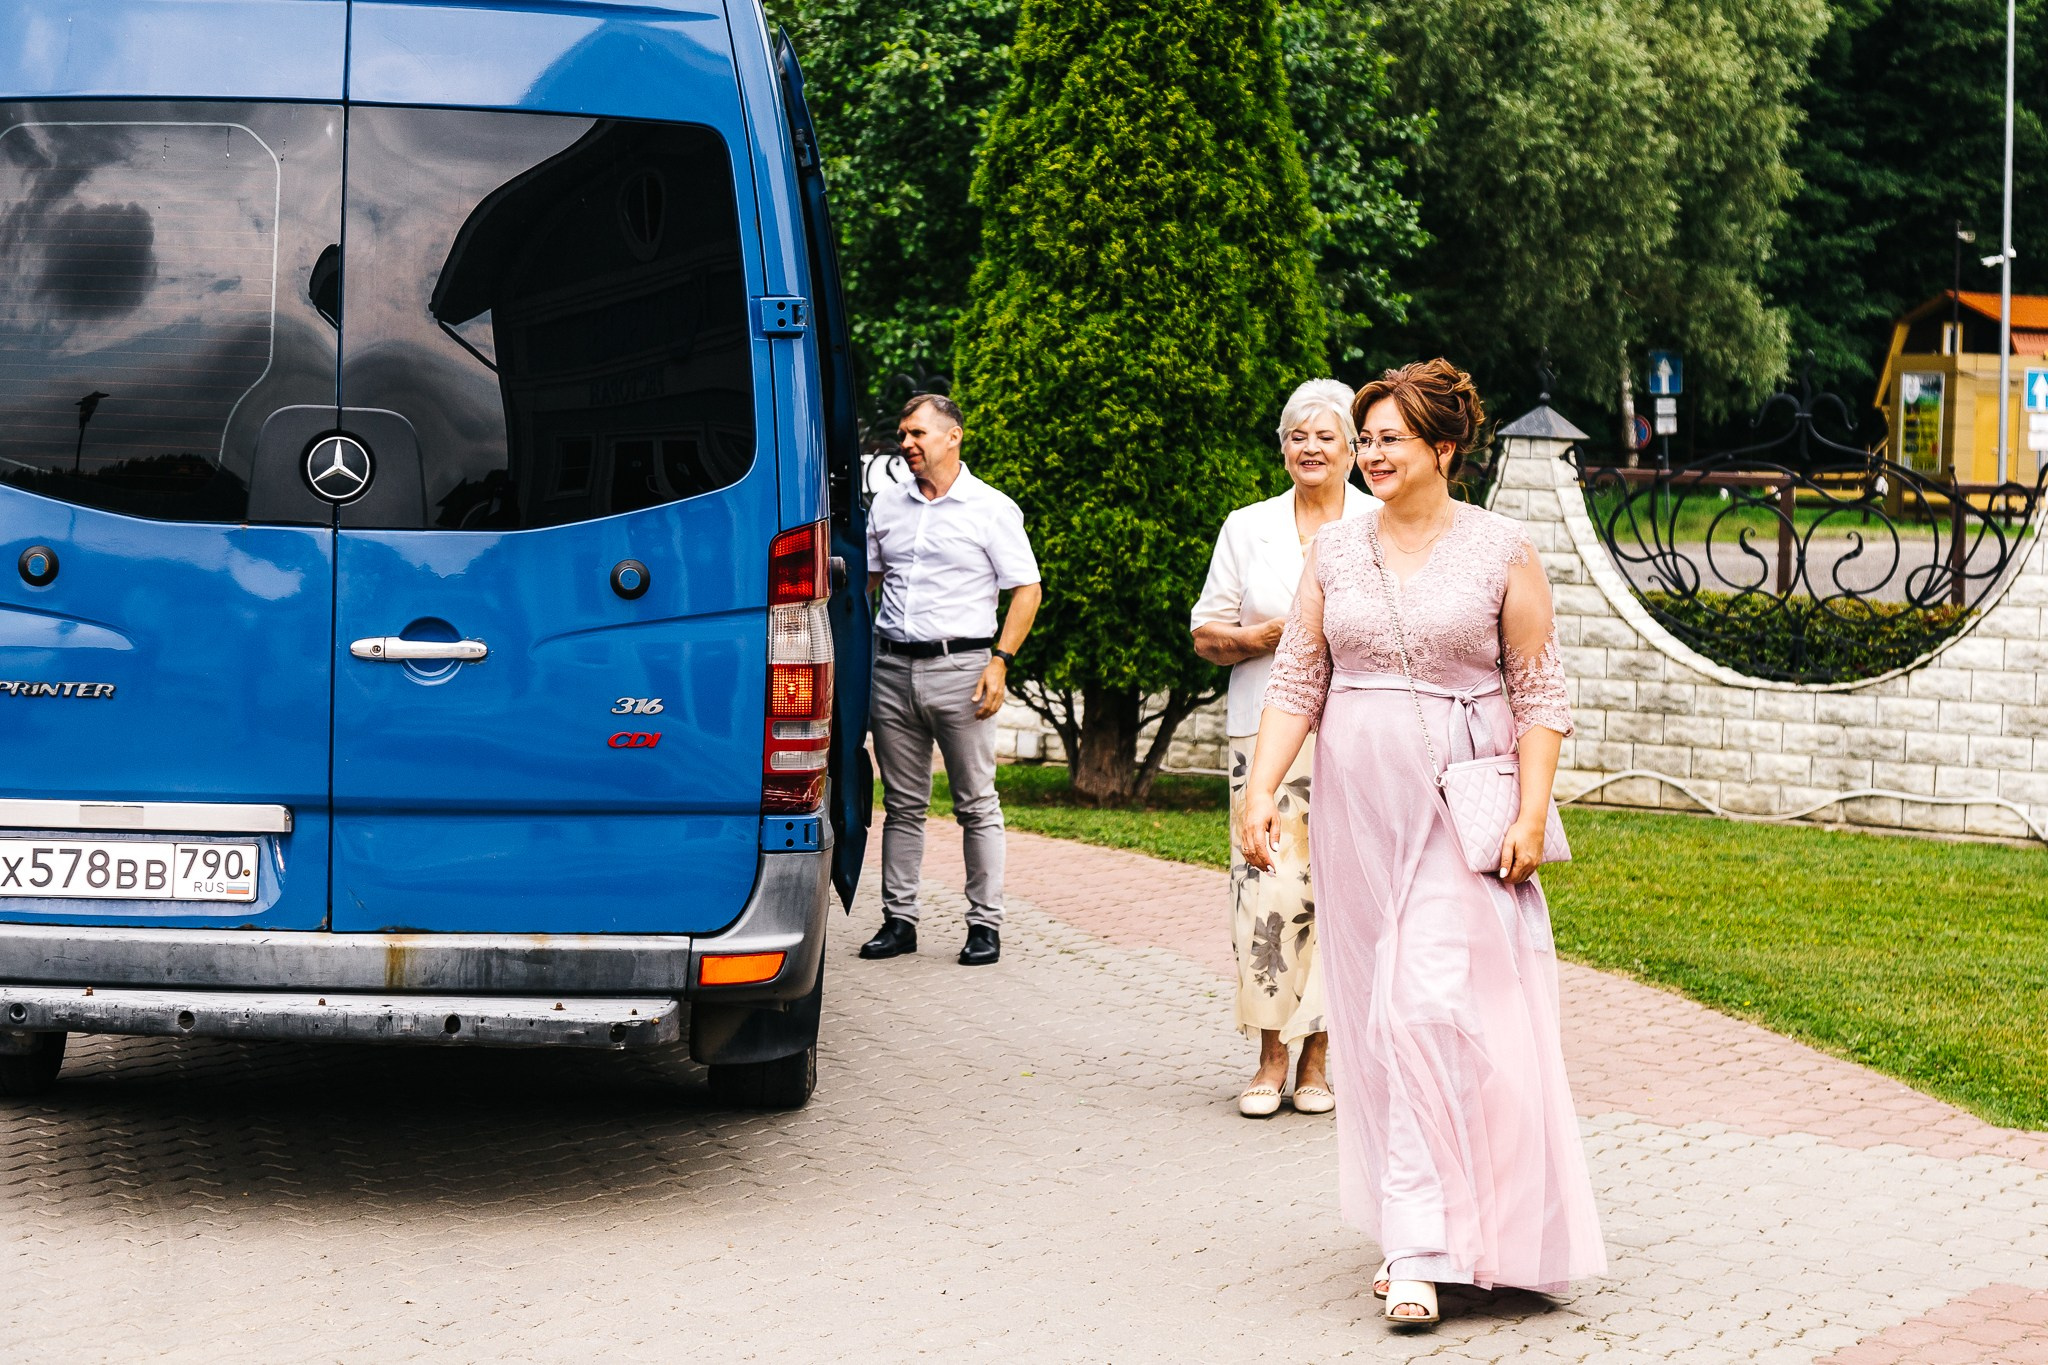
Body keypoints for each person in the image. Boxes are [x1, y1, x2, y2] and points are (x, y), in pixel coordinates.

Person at [1242, 359, 1606, 1327]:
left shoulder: (1502, 550)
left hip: (1462, 809)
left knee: (1427, 1008)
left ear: (1443, 448)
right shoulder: (1334, 554)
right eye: (1363, 439)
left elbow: (1539, 694)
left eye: (1386, 439)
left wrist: (1530, 813)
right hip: (1359, 816)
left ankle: (1436, 1243)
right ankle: (1422, 1227)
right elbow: (1294, 683)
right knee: (1376, 1021)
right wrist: (1260, 790)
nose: (1367, 455)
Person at [1191, 379, 1375, 1118]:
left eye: (1326, 435)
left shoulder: (1376, 523)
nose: (1310, 447)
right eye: (1297, 436)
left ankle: (1318, 1059)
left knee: (1337, 892)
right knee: (1264, 890)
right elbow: (1206, 632)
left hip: (1355, 737)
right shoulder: (1248, 526)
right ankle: (1269, 1054)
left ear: (1354, 451)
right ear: (1283, 448)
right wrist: (1268, 637)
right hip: (1262, 734)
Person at [860, 394, 1043, 967]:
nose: (906, 444)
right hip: (890, 668)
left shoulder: (990, 508)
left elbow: (1027, 588)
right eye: (902, 435)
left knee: (976, 803)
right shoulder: (887, 504)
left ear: (952, 436)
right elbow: (867, 582)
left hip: (962, 670)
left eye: (916, 433)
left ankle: (984, 926)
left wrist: (1000, 661)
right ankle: (899, 921)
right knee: (902, 803)